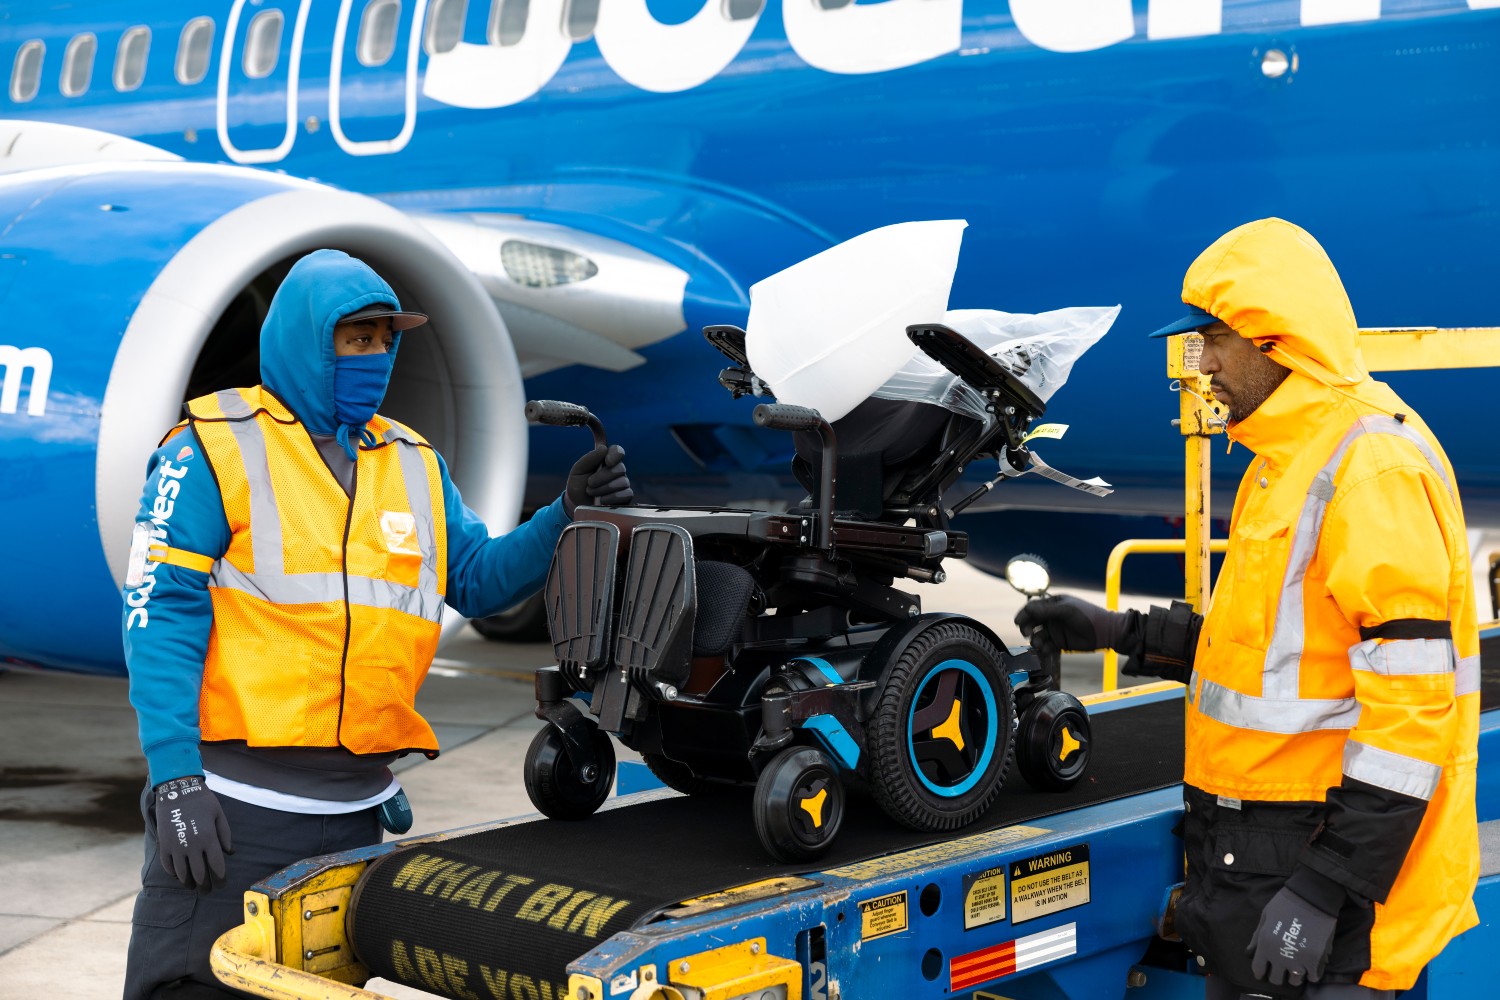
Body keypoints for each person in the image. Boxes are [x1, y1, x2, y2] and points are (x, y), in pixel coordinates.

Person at [120, 249, 633, 999]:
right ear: (304, 339)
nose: (375, 356)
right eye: (354, 337)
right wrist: (172, 778)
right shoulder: (210, 448)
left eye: (384, 340)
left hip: (356, 816)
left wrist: (564, 515)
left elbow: (480, 581)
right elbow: (158, 614)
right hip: (239, 813)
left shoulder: (412, 462)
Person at [1016, 219, 1479, 999]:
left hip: (1328, 905)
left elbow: (1412, 719)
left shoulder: (1367, 468)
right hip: (1259, 867)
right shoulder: (1287, 460)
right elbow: (1269, 654)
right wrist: (1116, 630)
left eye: (1212, 341)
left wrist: (1326, 887)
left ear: (1275, 339)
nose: (1200, 365)